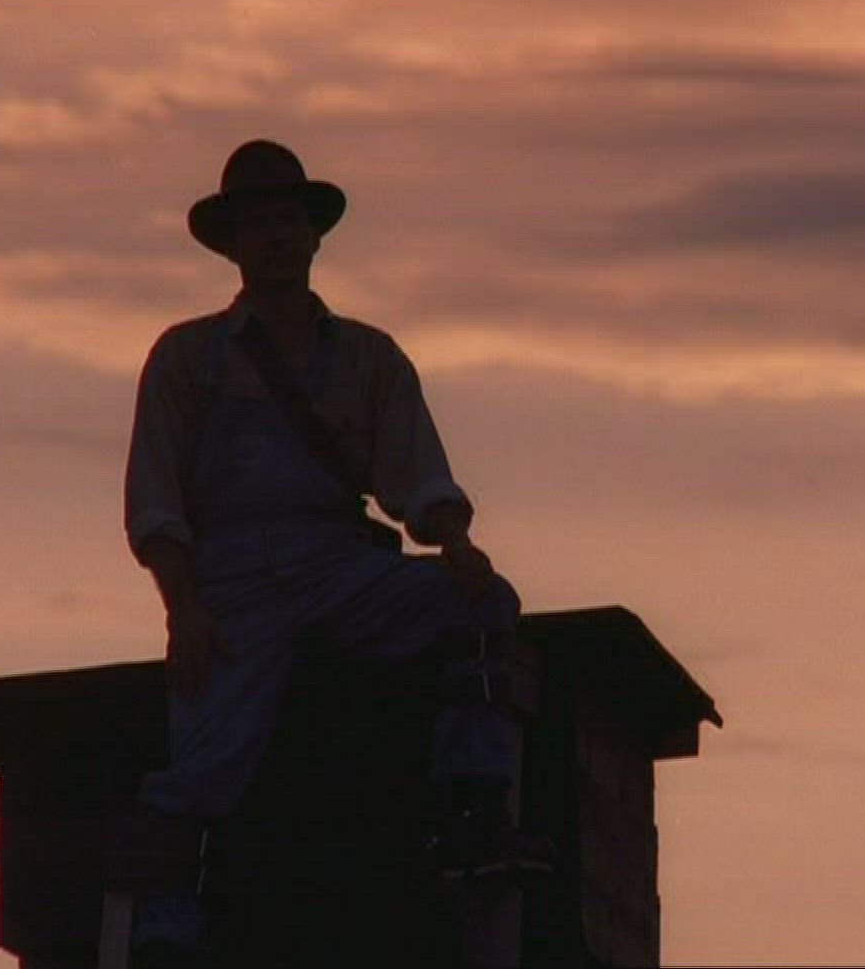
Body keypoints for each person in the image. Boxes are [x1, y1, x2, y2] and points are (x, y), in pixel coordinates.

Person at [123, 140, 547, 964]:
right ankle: (165, 929)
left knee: (480, 605)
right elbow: (156, 503)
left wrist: (458, 544)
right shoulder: (186, 357)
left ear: (314, 235)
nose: (276, 238)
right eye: (258, 225)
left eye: (288, 221)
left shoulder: (368, 357)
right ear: (233, 245)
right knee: (201, 766)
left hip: (340, 566)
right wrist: (184, 608)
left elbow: (418, 476)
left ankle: (474, 811)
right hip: (233, 580)